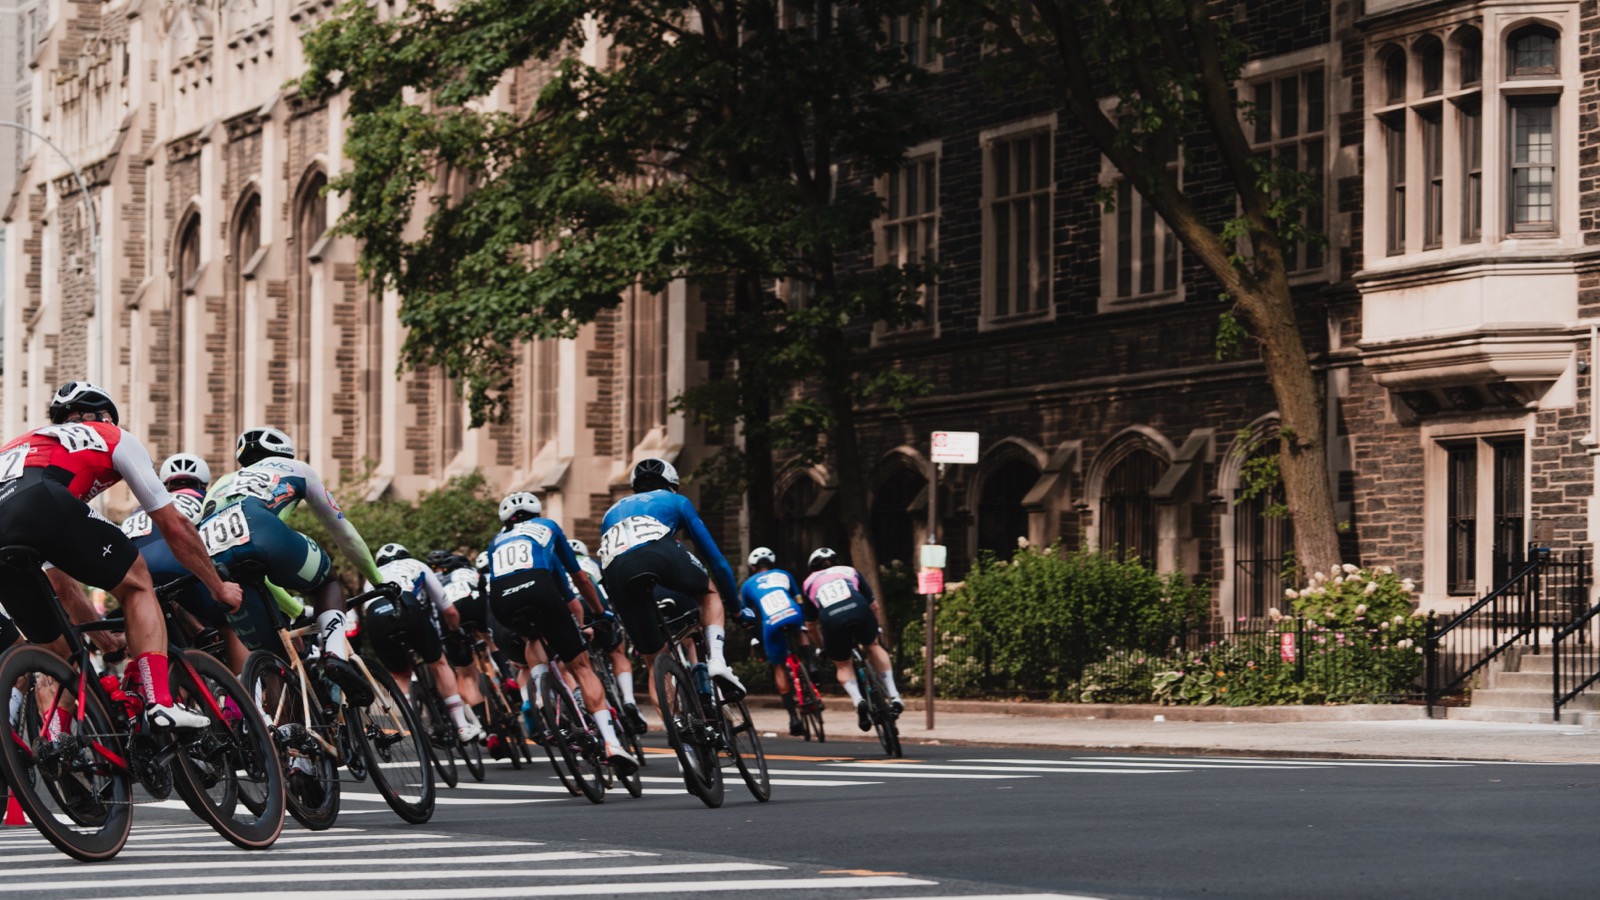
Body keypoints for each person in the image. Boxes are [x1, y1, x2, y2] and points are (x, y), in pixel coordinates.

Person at [0, 381, 243, 729]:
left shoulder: (28, 444)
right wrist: (218, 588)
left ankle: (57, 739)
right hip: (42, 502)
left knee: (69, 660)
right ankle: (161, 702)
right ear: (105, 416)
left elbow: (62, 585)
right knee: (137, 583)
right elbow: (174, 525)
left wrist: (103, 642)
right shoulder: (112, 435)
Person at [199, 426, 380, 705]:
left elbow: (261, 573)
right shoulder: (296, 467)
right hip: (261, 528)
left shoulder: (220, 484)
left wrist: (295, 610)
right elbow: (344, 534)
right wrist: (378, 580)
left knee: (278, 663)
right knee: (327, 582)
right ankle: (334, 657)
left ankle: (285, 740)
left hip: (213, 555)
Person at [484, 491, 637, 772]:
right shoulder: (548, 529)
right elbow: (577, 578)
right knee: (581, 667)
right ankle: (611, 742)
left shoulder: (496, 541)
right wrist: (600, 613)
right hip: (539, 588)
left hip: (501, 602)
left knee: (531, 636)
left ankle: (541, 692)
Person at [597, 458, 744, 699]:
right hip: (658, 552)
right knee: (709, 593)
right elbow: (716, 561)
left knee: (654, 661)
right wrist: (737, 611)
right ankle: (717, 661)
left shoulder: (610, 512)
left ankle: (677, 726)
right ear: (672, 485)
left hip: (616, 570)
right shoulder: (676, 500)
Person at [119, 454, 252, 667]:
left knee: (162, 647)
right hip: (174, 564)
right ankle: (241, 698)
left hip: (127, 571)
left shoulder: (143, 506)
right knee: (232, 622)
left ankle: (173, 693)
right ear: (202, 484)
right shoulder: (208, 498)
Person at [363, 544, 482, 742]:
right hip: (407, 605)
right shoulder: (416, 565)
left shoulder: (370, 575)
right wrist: (454, 630)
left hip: (376, 617)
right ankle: (462, 726)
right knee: (439, 664)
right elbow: (449, 610)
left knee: (400, 676)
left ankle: (413, 726)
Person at [802, 546, 904, 731]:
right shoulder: (849, 571)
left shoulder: (809, 582)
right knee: (873, 645)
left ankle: (858, 701)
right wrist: (875, 628)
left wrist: (823, 647)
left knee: (842, 664)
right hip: (859, 608)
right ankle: (895, 695)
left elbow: (811, 625)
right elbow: (874, 606)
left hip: (832, 617)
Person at [569, 537, 648, 734]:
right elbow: (612, 591)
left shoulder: (561, 566)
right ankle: (629, 700)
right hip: (594, 600)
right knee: (616, 652)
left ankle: (597, 705)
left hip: (570, 607)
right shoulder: (593, 564)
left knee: (583, 664)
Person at [737, 546, 815, 736]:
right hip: (792, 613)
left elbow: (748, 615)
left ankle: (793, 718)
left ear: (753, 567)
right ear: (772, 564)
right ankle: (812, 665)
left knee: (779, 667)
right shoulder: (784, 574)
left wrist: (754, 634)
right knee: (800, 629)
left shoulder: (747, 585)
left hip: (771, 622)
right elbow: (798, 599)